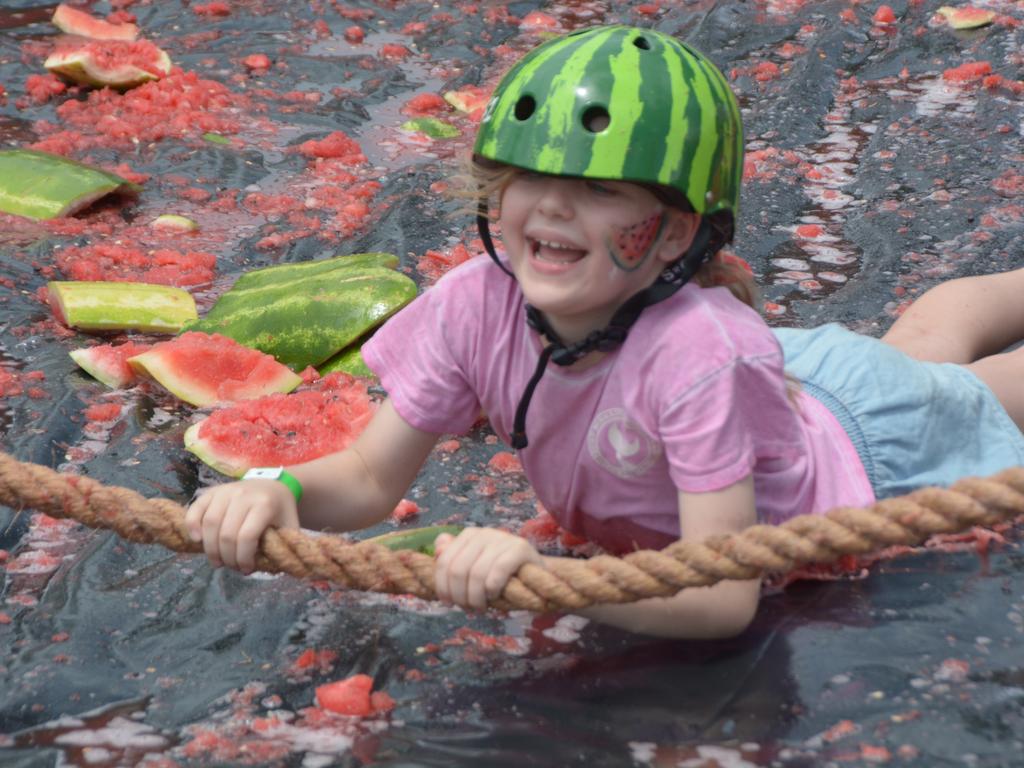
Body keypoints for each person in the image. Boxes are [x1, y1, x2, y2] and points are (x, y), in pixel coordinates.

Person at [185, 25, 1024, 639]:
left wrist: (550, 581)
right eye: (531, 176)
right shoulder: (474, 303)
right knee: (926, 332)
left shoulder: (703, 355)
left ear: (673, 233)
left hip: (865, 459)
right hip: (785, 395)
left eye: (598, 190)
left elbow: (723, 598)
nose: (551, 205)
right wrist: (279, 490)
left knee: (959, 382)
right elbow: (370, 476)